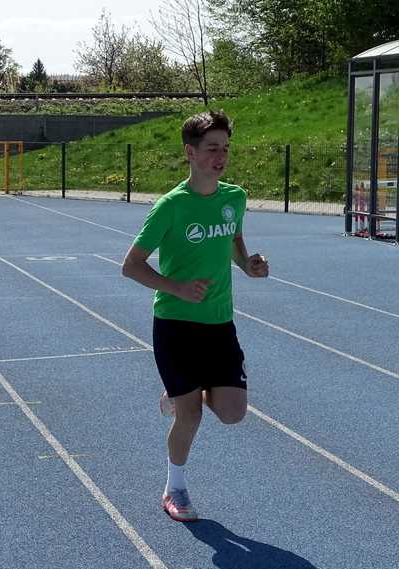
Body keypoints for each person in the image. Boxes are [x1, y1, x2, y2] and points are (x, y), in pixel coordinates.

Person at [121, 110, 269, 522]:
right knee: (193, 414)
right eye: (211, 149)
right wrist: (178, 288)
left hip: (220, 323)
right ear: (190, 152)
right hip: (176, 325)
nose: (220, 156)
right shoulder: (171, 206)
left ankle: (177, 392)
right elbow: (130, 265)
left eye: (225, 148)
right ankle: (175, 488)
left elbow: (235, 240)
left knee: (234, 412)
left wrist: (248, 264)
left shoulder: (234, 197)